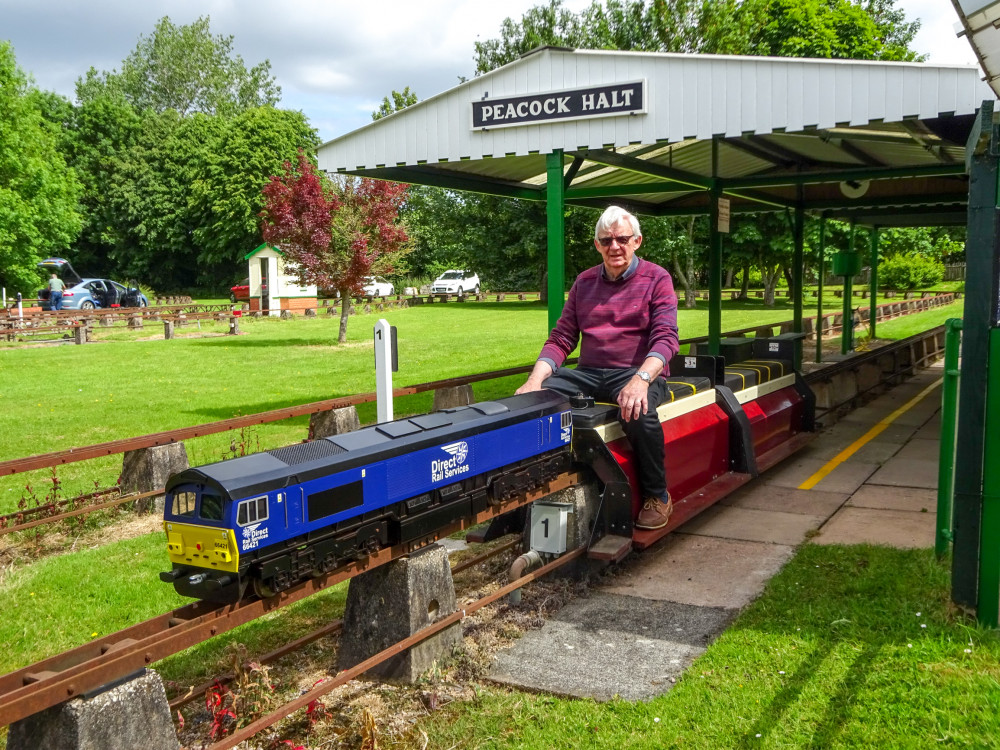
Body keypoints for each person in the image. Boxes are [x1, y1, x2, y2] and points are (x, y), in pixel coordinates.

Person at [516, 205, 680, 529]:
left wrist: (641, 380)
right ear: (597, 245)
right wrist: (534, 380)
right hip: (589, 372)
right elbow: (562, 337)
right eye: (606, 240)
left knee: (640, 412)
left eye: (621, 238)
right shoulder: (584, 283)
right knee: (532, 403)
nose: (614, 246)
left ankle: (657, 495)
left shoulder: (657, 278)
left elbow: (666, 339)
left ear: (637, 241)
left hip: (635, 370)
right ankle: (525, 491)